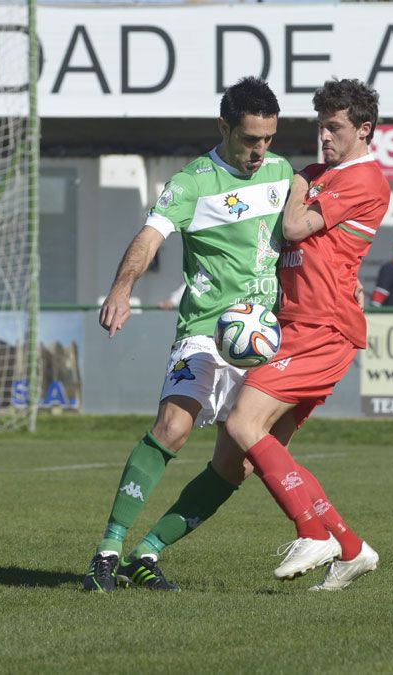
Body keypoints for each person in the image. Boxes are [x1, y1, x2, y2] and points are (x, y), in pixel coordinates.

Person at [81, 77, 292, 593]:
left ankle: (147, 554)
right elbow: (148, 238)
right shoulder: (192, 183)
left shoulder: (284, 172)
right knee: (173, 426)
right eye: (249, 139)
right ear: (225, 127)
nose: (259, 150)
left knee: (237, 464)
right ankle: (108, 550)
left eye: (267, 138)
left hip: (262, 339)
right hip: (205, 332)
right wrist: (121, 289)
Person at [224, 78, 390, 591]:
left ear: (363, 130)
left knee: (242, 424)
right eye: (320, 125)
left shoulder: (363, 178)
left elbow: (295, 229)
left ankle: (309, 532)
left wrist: (298, 182)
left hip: (322, 328)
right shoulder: (323, 173)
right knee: (270, 445)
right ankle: (350, 547)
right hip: (298, 324)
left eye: (334, 127)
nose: (324, 135)